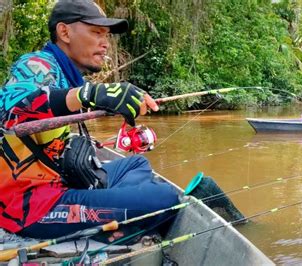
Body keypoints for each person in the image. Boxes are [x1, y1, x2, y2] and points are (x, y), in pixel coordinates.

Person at [0, 0, 179, 240]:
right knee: (164, 198)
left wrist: (109, 98)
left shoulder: (70, 76)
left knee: (137, 164)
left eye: (106, 35)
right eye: (96, 33)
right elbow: (9, 111)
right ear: (64, 32)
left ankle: (108, 214)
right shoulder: (36, 65)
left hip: (62, 182)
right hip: (30, 207)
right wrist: (90, 94)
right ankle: (112, 225)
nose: (105, 43)